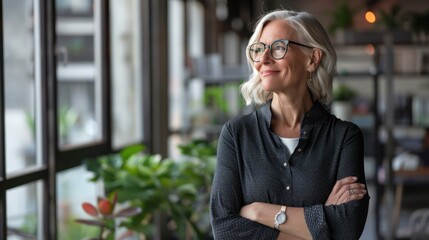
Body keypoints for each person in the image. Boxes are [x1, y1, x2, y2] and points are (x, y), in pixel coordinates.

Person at [210, 9, 369, 239]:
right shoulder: (236, 134)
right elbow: (224, 229)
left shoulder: (344, 137)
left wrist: (257, 211)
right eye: (259, 48)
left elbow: (348, 229)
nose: (263, 59)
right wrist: (321, 223)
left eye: (277, 47)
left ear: (312, 59)